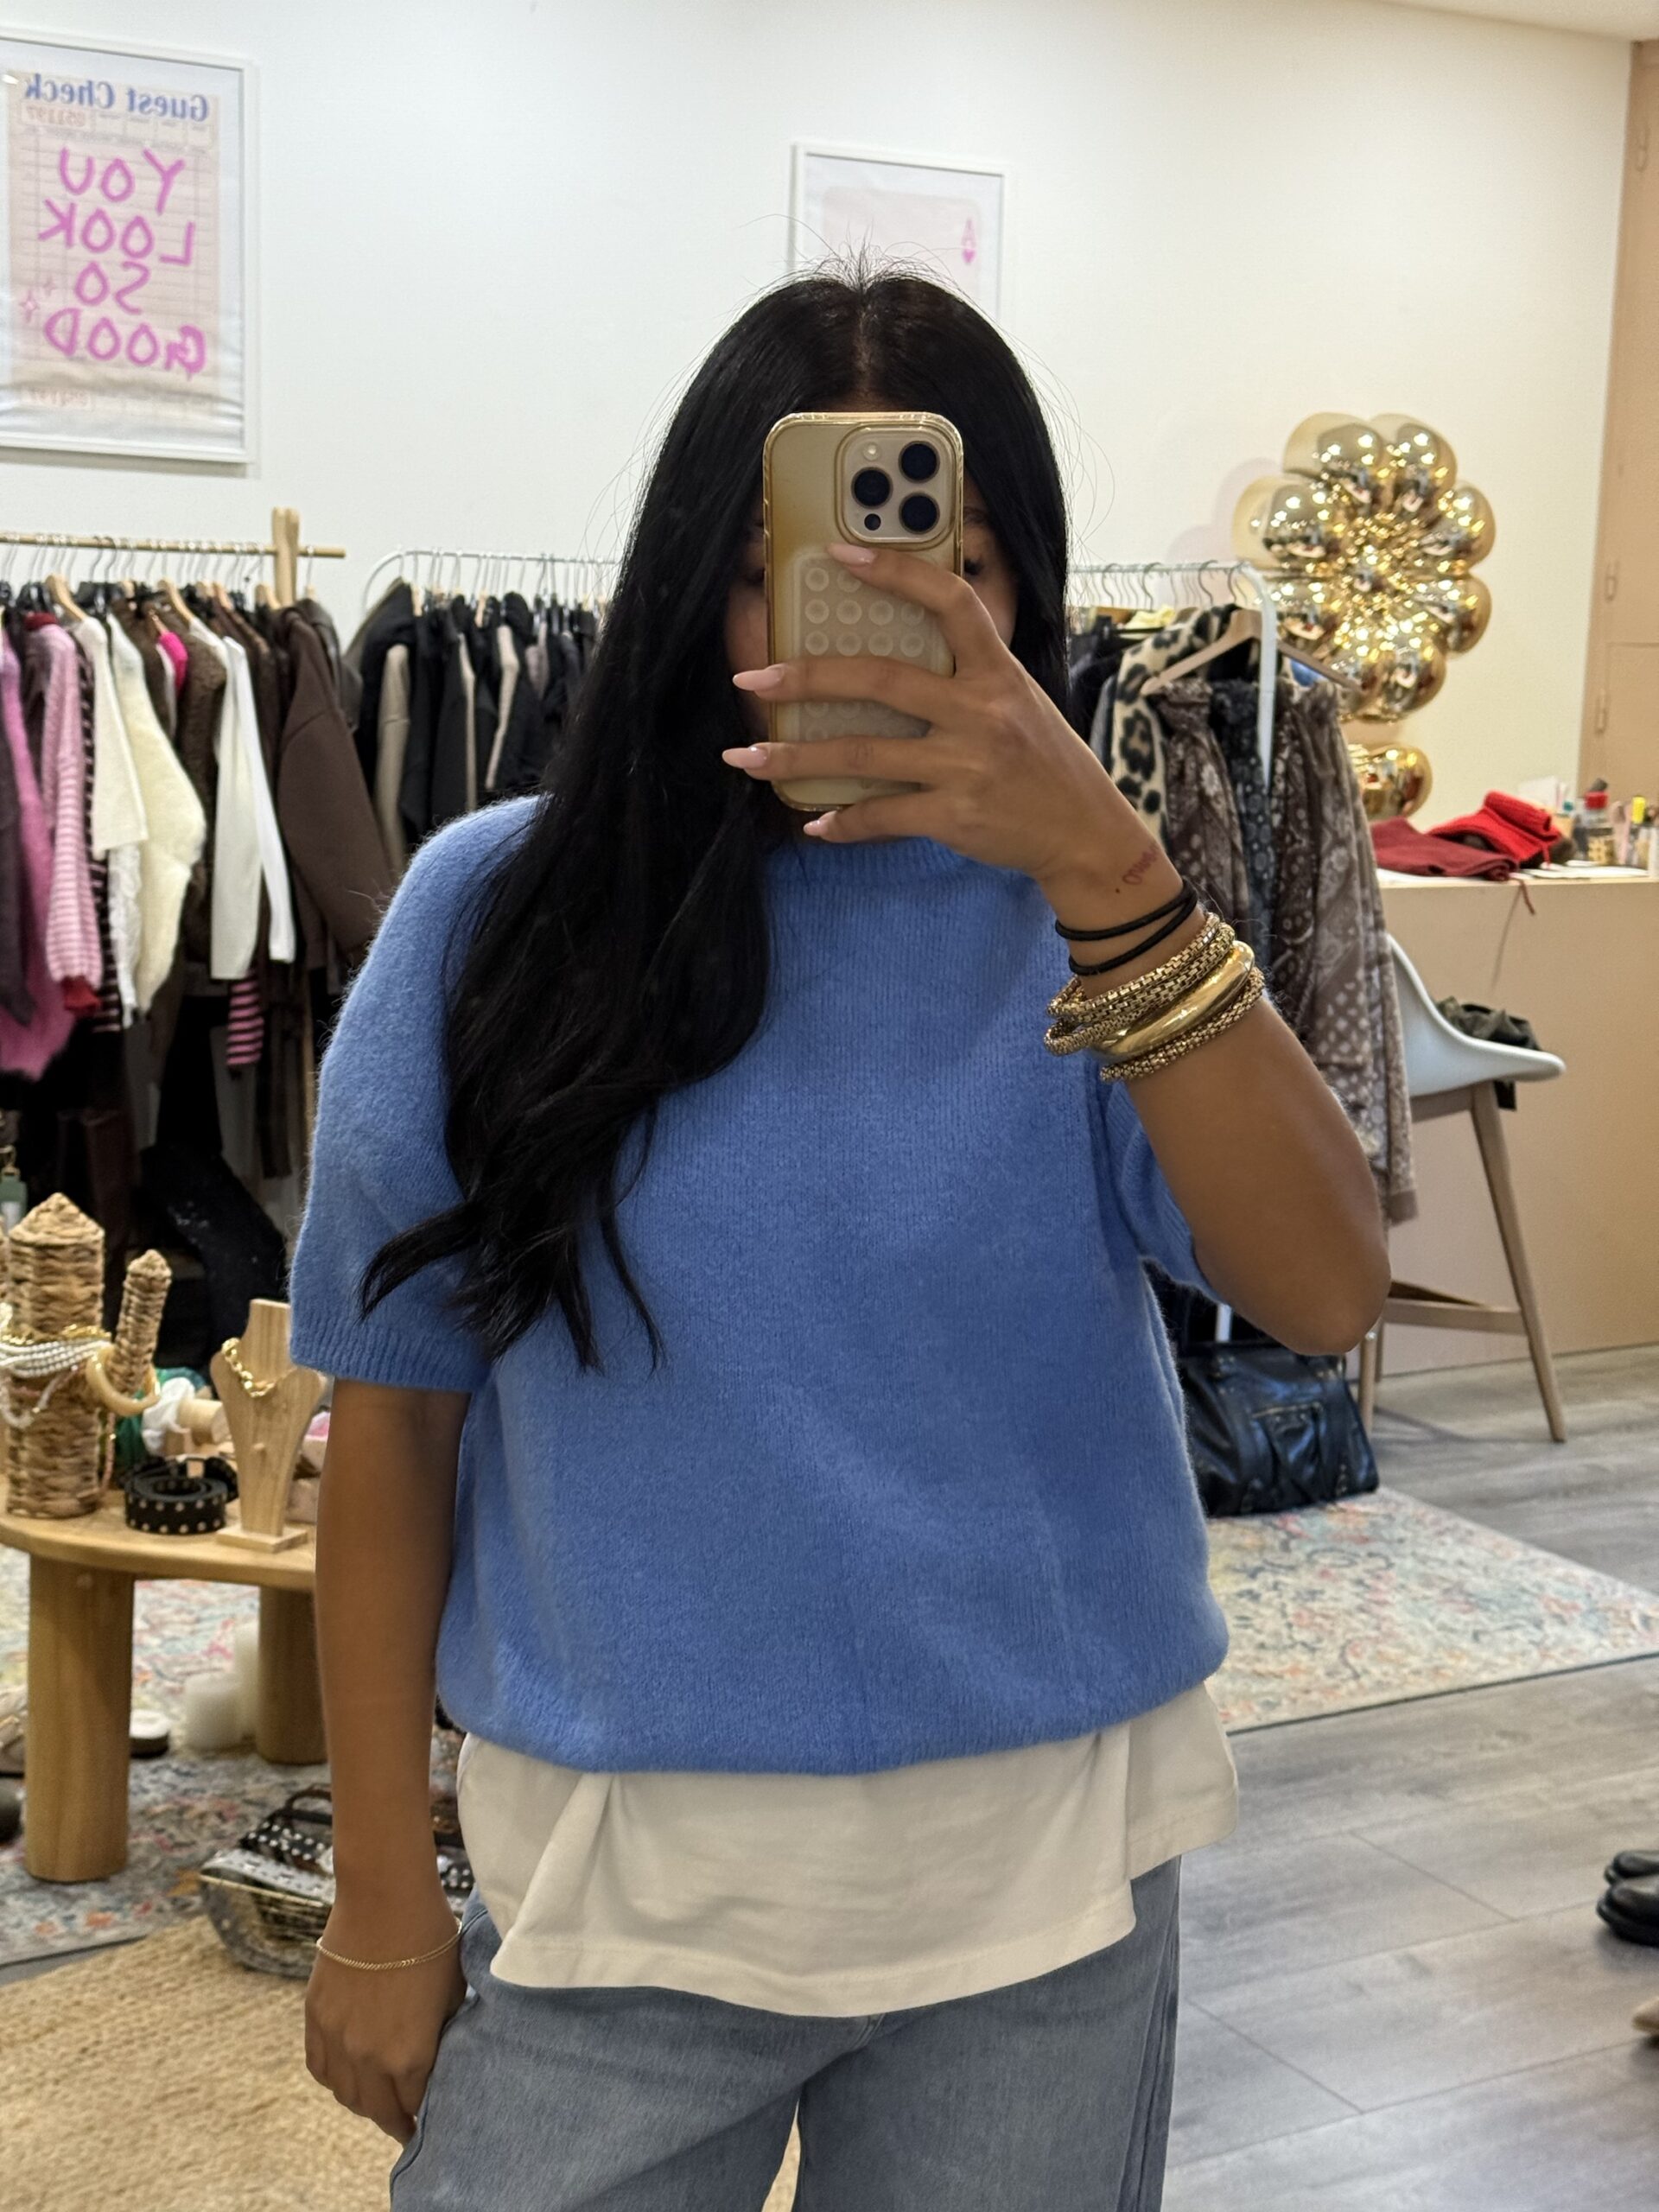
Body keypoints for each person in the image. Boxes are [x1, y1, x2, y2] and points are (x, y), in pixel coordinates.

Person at [295, 268, 1389, 2210]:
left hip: (1046, 1887)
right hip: (620, 1899)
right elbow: (394, 1419)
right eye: (779, 577)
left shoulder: (1101, 924)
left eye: (947, 574)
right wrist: (379, 1895)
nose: (859, 632)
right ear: (691, 594)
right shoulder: (496, 918)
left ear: (1025, 599)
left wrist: (1113, 870)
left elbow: (1322, 1290)